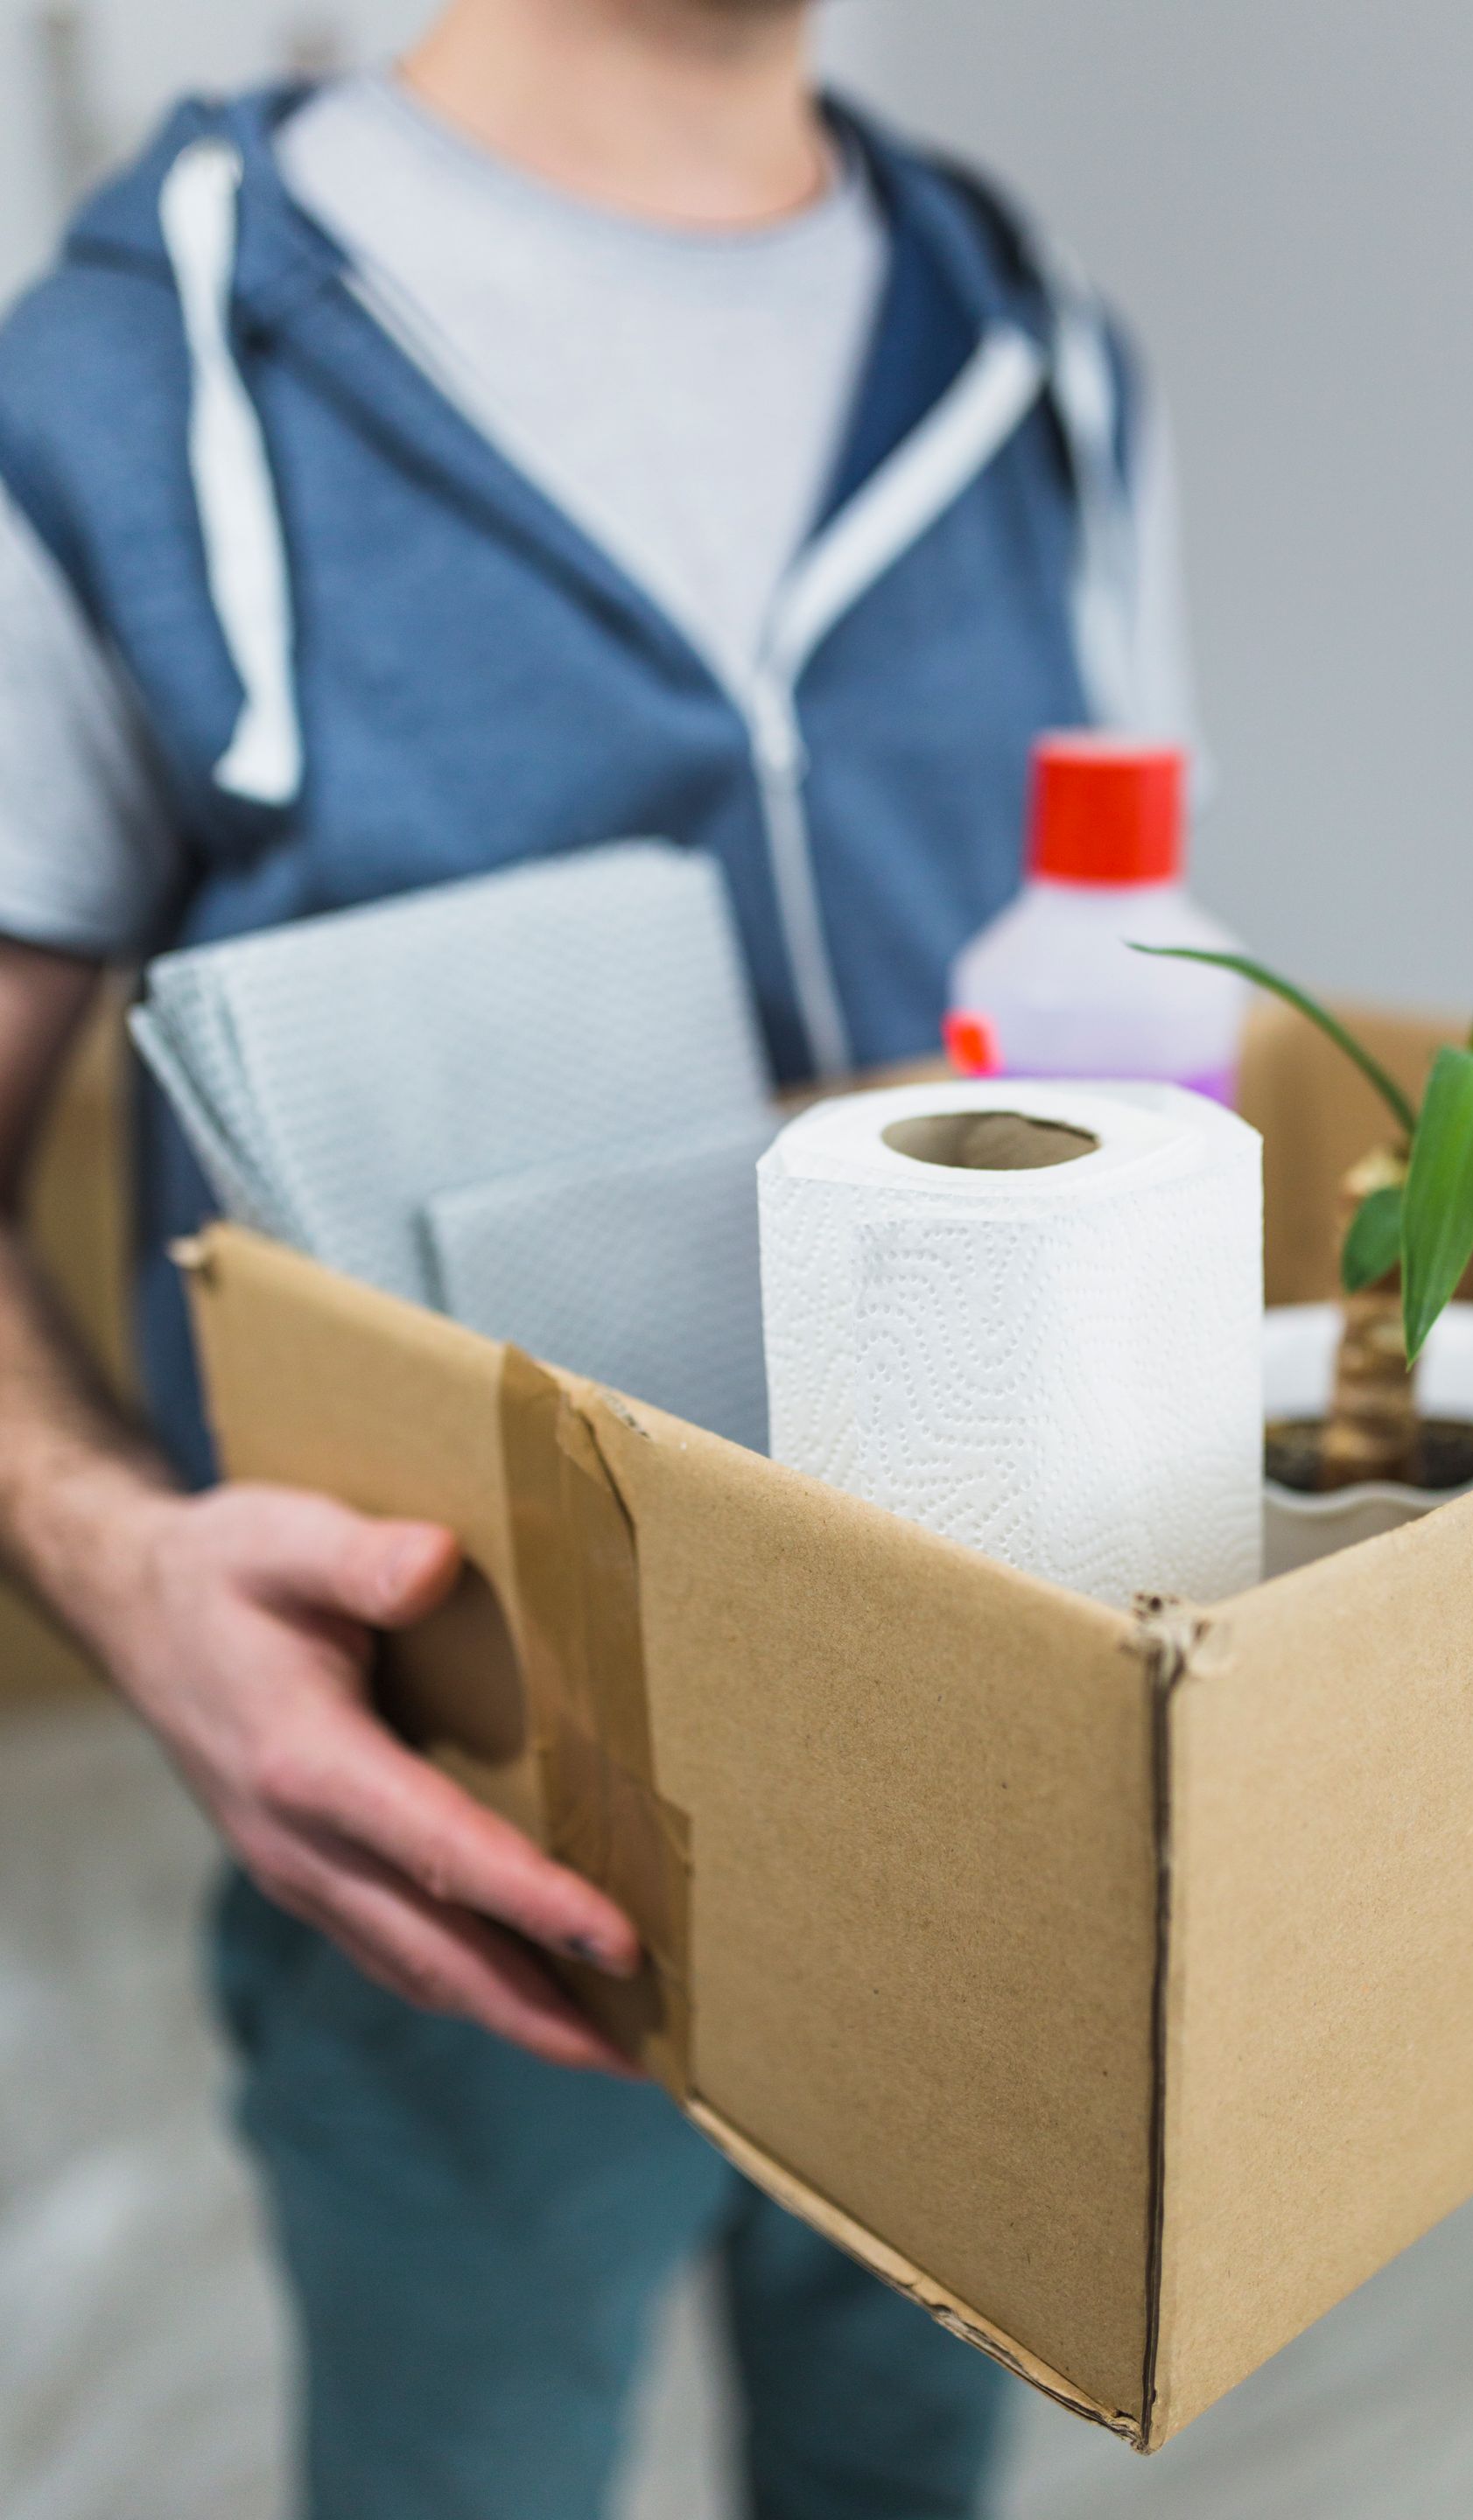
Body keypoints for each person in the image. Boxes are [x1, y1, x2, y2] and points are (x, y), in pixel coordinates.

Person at [0, 1, 1200, 2511]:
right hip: (473, 1864)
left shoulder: (1044, 360)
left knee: (904, 2451)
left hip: (975, 1834)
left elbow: (1122, 985)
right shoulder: (140, 365)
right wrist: (117, 1563)